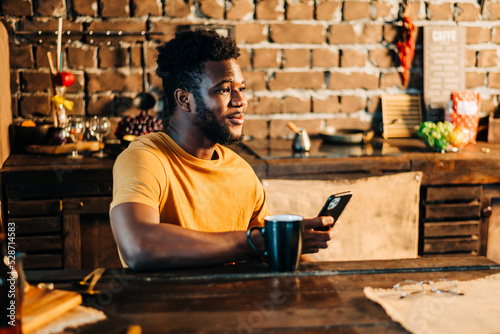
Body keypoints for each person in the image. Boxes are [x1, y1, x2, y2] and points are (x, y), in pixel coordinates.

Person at [109, 29, 335, 271]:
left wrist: (314, 269)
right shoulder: (145, 158)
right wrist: (260, 241)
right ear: (185, 100)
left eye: (242, 89)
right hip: (166, 306)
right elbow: (139, 247)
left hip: (231, 304)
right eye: (224, 90)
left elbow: (264, 251)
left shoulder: (241, 172)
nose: (241, 101)